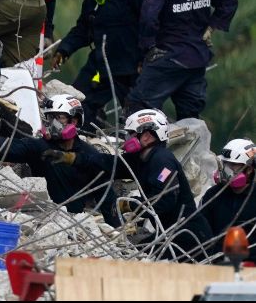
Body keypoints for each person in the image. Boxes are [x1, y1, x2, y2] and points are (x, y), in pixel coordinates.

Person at [49, 108, 213, 261]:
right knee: (136, 254)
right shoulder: (140, 159)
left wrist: (129, 205)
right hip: (168, 232)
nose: (127, 138)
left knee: (141, 260)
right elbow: (107, 163)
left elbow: (164, 201)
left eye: (131, 134)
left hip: (189, 236)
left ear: (147, 136)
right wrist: (71, 158)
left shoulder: (162, 161)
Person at [125, 0, 238, 120]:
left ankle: (142, 148)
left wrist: (148, 50)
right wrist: (211, 27)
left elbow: (148, 19)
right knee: (190, 116)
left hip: (169, 57)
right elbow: (230, 1)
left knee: (138, 108)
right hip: (197, 58)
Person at [52, 0, 146, 128]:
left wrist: (146, 57)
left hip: (130, 67)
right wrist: (64, 49)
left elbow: (150, 19)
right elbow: (85, 26)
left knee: (138, 119)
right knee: (75, 106)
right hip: (100, 66)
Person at [0, 94, 120, 227]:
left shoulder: (89, 156)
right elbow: (10, 148)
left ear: (74, 121)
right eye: (50, 117)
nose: (52, 123)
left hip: (73, 224)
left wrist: (118, 230)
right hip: (40, 220)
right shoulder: (39, 147)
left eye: (58, 117)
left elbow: (107, 199)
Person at [200, 138, 256, 263]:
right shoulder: (213, 195)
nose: (226, 169)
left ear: (249, 169)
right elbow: (201, 231)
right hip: (216, 263)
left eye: (232, 165)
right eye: (225, 163)